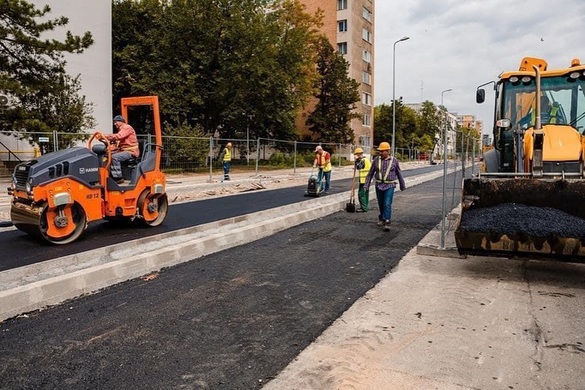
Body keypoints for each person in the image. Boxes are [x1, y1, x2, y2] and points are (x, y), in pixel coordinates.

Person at [364, 141, 406, 231]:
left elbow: (399, 173)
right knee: (381, 203)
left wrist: (402, 185)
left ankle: (387, 220)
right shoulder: (376, 160)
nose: (381, 153)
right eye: (380, 151)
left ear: (388, 151)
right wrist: (366, 185)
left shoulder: (394, 161)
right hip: (379, 185)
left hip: (389, 185)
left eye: (383, 151)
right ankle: (382, 217)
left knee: (387, 203)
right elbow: (370, 173)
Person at [107, 115, 139, 184]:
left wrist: (107, 136)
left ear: (121, 122)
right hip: (124, 150)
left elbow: (119, 136)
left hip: (131, 151)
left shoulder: (127, 128)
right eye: (114, 122)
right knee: (108, 155)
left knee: (114, 157)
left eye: (116, 122)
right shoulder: (121, 129)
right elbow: (118, 141)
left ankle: (118, 178)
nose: (115, 124)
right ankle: (108, 175)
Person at [354, 147, 371, 212]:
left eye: (357, 155)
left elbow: (359, 167)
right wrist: (357, 160)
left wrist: (356, 161)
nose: (356, 156)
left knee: (361, 194)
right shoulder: (366, 159)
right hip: (366, 180)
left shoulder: (363, 160)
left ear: (359, 154)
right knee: (366, 194)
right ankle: (365, 206)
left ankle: (364, 208)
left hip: (364, 180)